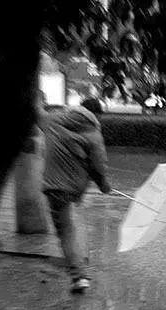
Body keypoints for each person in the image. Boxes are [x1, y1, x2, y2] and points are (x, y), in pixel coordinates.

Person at [37, 92, 111, 293]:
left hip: (53, 187)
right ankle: (79, 274)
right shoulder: (94, 134)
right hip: (74, 188)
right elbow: (98, 166)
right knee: (69, 228)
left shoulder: (52, 120)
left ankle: (79, 276)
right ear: (97, 115)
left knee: (66, 231)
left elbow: (36, 113)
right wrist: (104, 184)